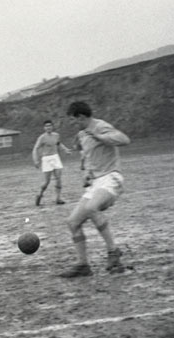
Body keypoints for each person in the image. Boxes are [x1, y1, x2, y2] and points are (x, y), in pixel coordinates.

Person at [60, 101, 130, 278]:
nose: (71, 124)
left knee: (92, 207)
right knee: (72, 222)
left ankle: (113, 252)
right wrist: (87, 173)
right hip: (96, 182)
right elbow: (87, 155)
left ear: (81, 117)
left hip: (111, 177)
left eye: (72, 120)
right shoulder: (82, 134)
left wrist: (100, 137)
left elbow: (124, 139)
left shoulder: (100, 126)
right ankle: (83, 265)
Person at [32, 119, 71, 206]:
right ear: (44, 128)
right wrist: (36, 160)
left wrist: (66, 150)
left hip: (55, 157)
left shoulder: (56, 135)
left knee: (58, 178)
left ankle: (58, 198)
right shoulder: (42, 137)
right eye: (46, 126)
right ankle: (39, 194)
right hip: (46, 159)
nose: (48, 127)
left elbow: (59, 144)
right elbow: (35, 148)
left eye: (50, 125)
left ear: (52, 126)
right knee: (47, 181)